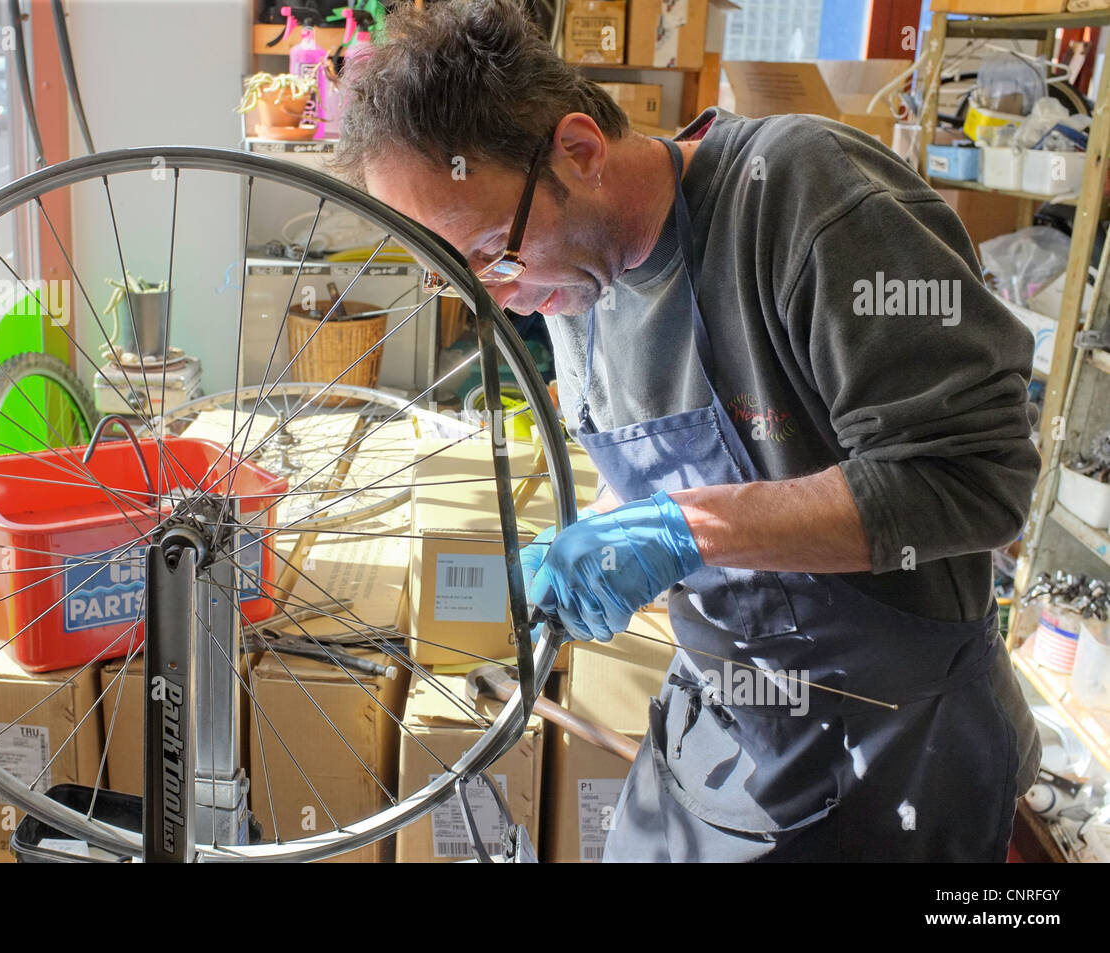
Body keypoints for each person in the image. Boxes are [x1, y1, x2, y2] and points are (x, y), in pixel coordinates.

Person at [332, 0, 1042, 861]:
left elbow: (977, 477)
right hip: (727, 726)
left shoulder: (801, 197)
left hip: (897, 749)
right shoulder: (572, 277)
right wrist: (604, 543)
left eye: (493, 255)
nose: (494, 297)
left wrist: (686, 530)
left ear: (580, 151)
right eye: (458, 272)